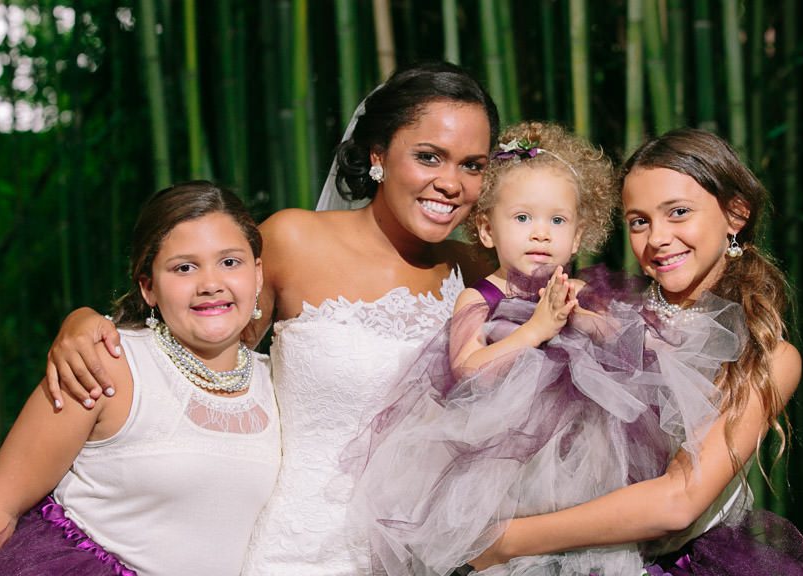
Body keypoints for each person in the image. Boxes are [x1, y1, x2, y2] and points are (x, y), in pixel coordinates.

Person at [42, 62, 500, 575]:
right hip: (303, 549)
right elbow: (196, 343)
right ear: (378, 155)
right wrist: (84, 322)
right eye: (429, 156)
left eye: (473, 165)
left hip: (432, 554)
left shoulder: (482, 272)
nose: (451, 183)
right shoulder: (293, 241)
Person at [343, 122, 739, 575]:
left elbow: (632, 353)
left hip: (586, 462)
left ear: (577, 237)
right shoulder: (481, 297)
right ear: (487, 230)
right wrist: (535, 328)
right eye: (522, 218)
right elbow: (469, 369)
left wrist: (586, 321)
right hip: (504, 463)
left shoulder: (582, 290)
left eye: (557, 221)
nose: (540, 234)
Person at [464, 128, 803, 575]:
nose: (657, 237)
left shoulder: (767, 356)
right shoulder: (605, 313)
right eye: (639, 221)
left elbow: (677, 501)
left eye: (678, 212)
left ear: (736, 214)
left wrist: (506, 541)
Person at [0, 182, 280, 576]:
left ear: (257, 274)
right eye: (184, 267)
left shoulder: (278, 382)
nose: (210, 283)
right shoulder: (106, 359)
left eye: (230, 262)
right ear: (148, 287)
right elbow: (0, 504)